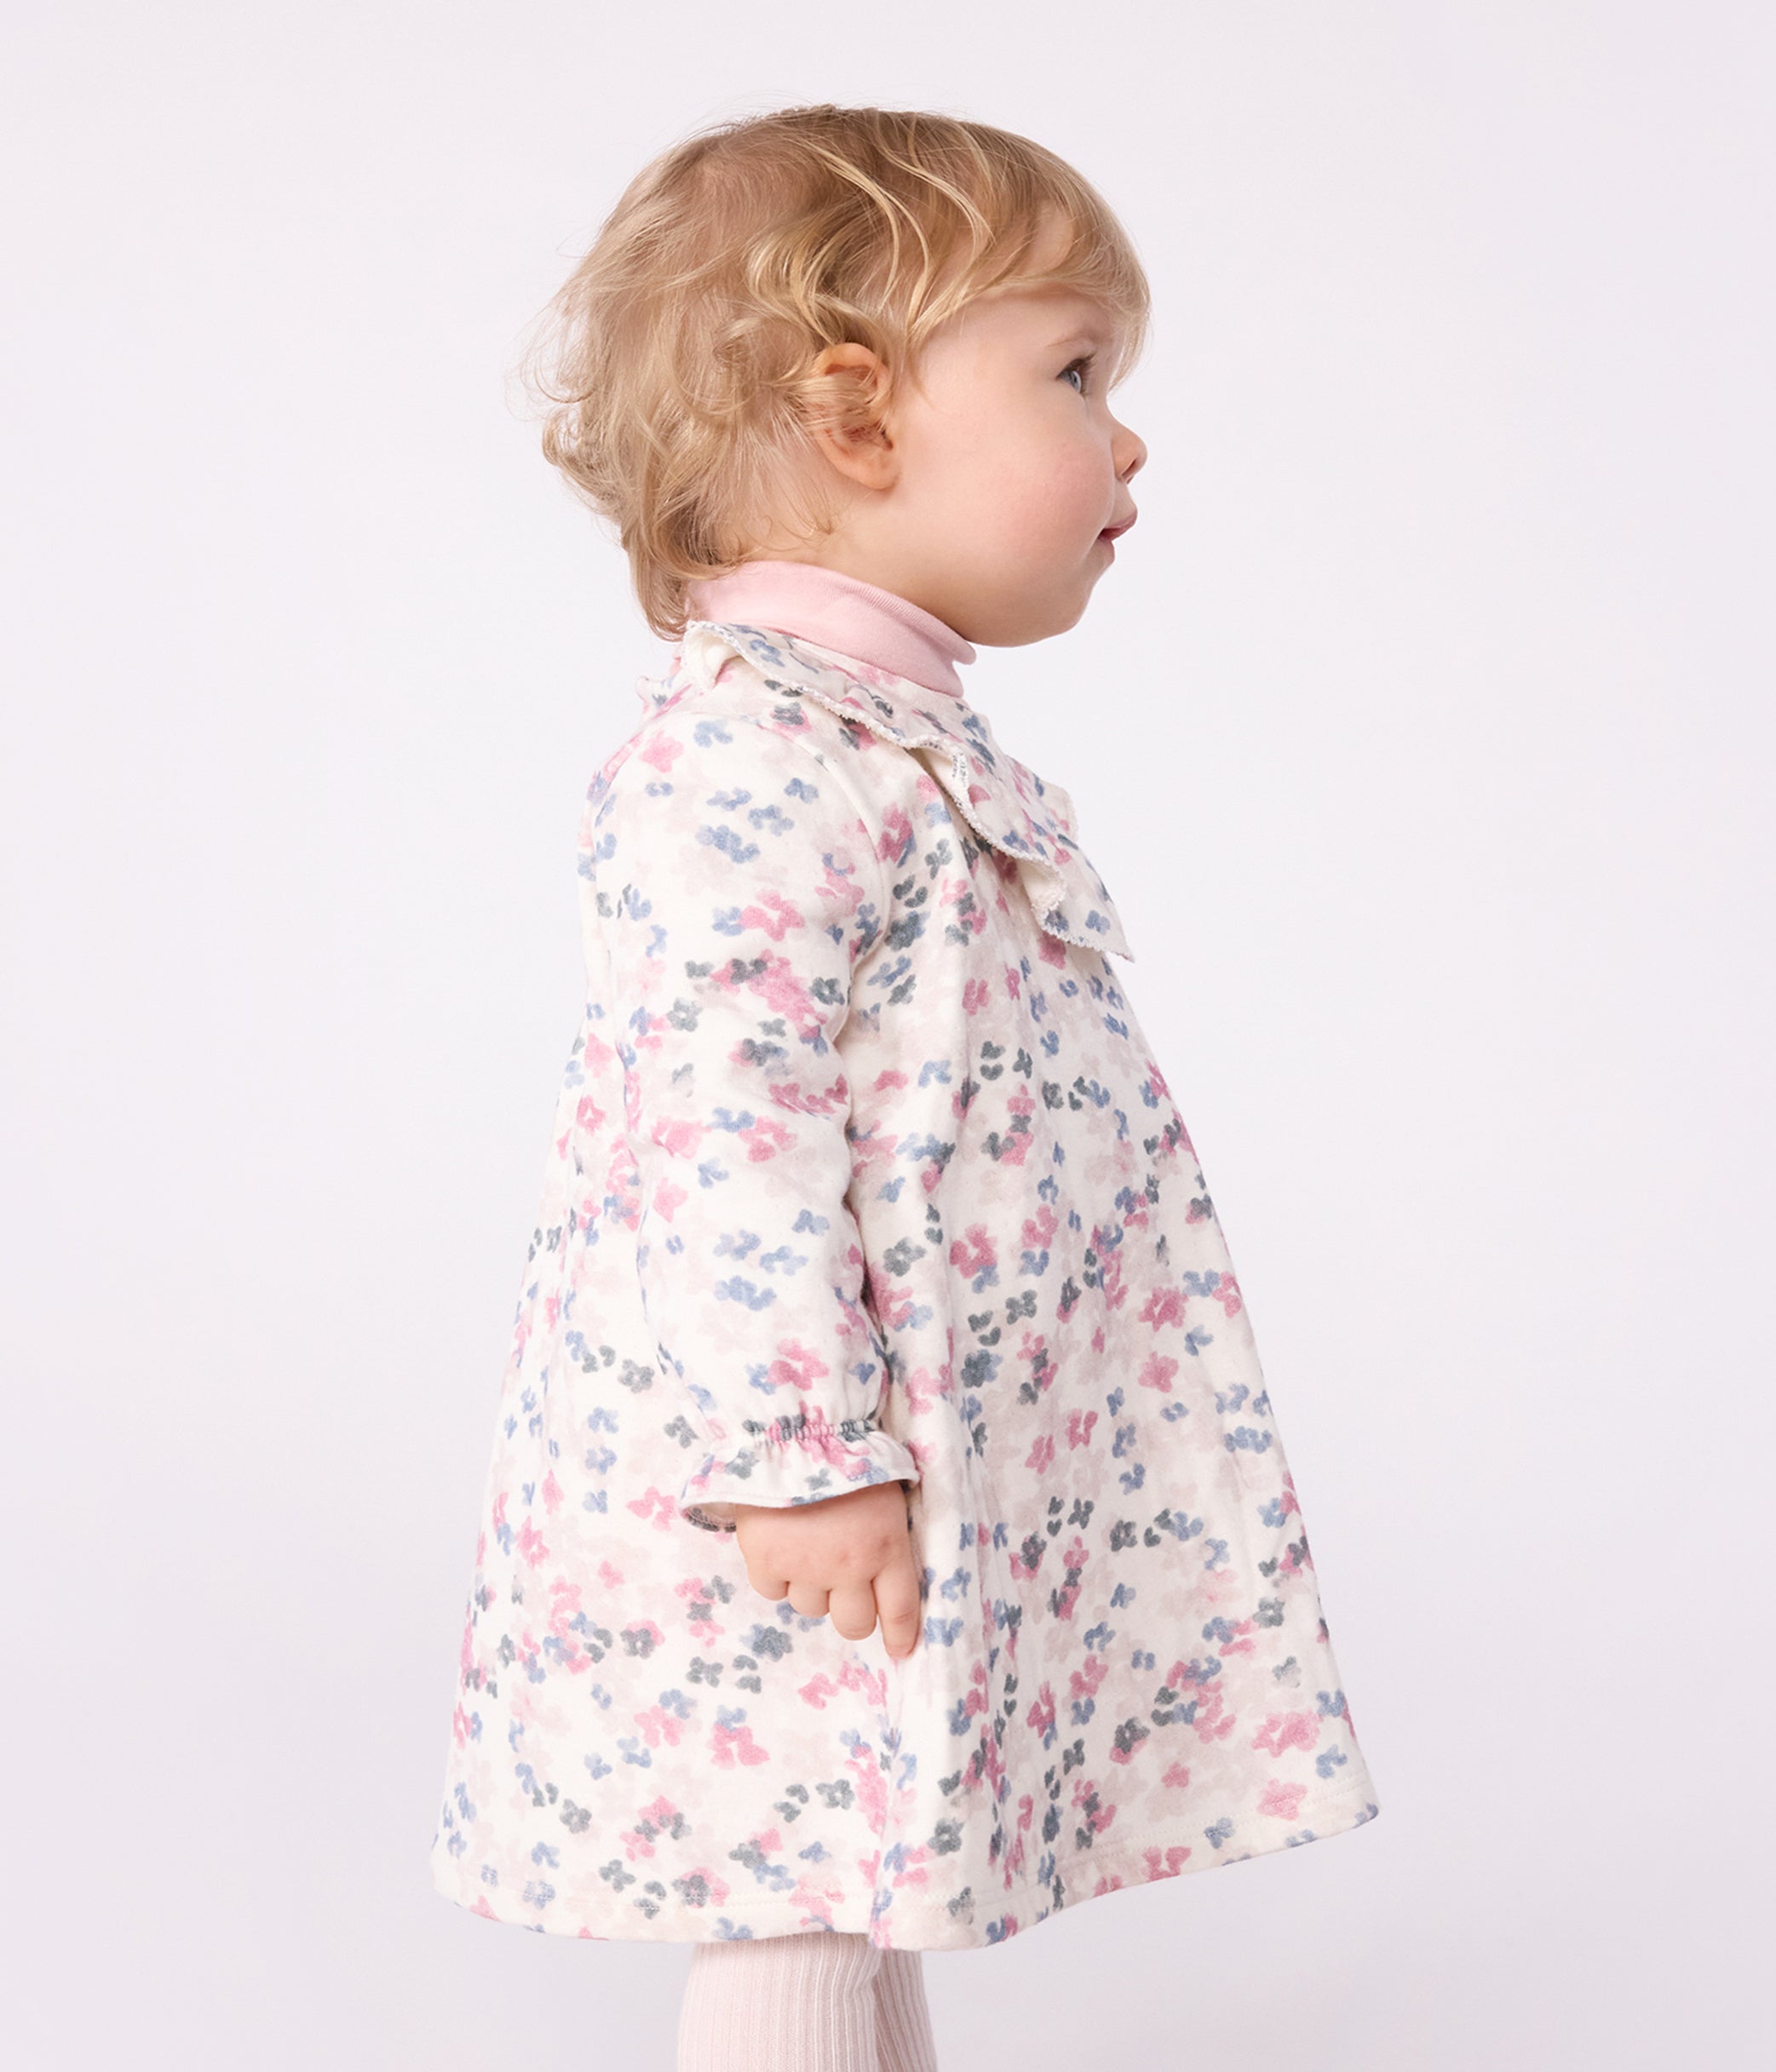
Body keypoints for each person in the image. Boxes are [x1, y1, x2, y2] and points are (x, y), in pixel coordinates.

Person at [428, 102, 1381, 2072]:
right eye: (1072, 373)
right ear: (853, 417)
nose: (1125, 439)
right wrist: (798, 1450)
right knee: (793, 1880)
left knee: (862, 1852)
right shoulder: (749, 756)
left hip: (889, 1451)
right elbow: (716, 1131)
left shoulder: (881, 737)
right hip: (789, 1470)